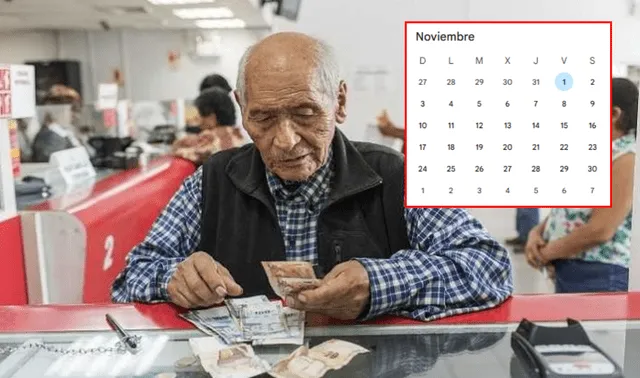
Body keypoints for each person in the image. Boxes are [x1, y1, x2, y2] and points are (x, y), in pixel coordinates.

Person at [112, 32, 513, 321]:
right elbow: (132, 276)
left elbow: (488, 265)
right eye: (263, 118)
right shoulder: (211, 181)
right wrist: (174, 279)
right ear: (242, 107)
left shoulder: (394, 175)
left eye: (305, 113)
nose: (285, 142)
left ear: (338, 102)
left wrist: (381, 282)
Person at [525, 77, 638, 293]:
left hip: (601, 275)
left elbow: (601, 229)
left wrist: (545, 253)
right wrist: (536, 232)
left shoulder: (626, 158)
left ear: (614, 114)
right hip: (571, 269)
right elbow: (570, 210)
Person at [172, 87, 246, 165]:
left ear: (212, 117)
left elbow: (186, 153)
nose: (199, 121)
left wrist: (177, 145)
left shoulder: (210, 137)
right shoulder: (238, 135)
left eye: (200, 115)